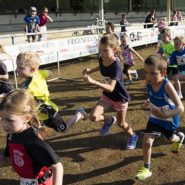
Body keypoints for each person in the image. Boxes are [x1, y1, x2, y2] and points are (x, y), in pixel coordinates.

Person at [83, 34, 138, 150]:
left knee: (121, 124)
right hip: (108, 96)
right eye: (100, 50)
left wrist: (93, 81)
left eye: (105, 50)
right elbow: (101, 66)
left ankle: (133, 136)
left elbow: (111, 87)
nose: (102, 53)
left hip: (119, 97)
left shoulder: (116, 65)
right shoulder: (102, 58)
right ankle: (108, 120)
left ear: (114, 49)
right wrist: (90, 71)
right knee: (93, 117)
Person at [135, 55, 184, 181]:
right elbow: (151, 96)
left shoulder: (167, 85)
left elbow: (180, 108)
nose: (148, 76)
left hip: (169, 119)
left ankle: (179, 138)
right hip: (155, 117)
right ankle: (147, 168)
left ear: (163, 73)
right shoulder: (149, 82)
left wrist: (165, 115)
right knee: (146, 141)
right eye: (146, 72)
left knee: (170, 138)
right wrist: (146, 103)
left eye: (152, 73)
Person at [0, 89, 63, 185]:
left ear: (26, 118)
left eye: (10, 120)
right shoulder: (12, 134)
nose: (4, 124)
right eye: (2, 118)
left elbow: (57, 166)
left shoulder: (33, 141)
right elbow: (8, 159)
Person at [16, 51, 87, 133]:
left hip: (48, 111)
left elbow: (28, 103)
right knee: (33, 131)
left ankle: (79, 114)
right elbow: (49, 73)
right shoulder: (38, 73)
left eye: (20, 68)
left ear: (32, 69)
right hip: (38, 112)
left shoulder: (28, 88)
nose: (17, 70)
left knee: (64, 129)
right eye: (17, 66)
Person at [159, 29, 182, 98]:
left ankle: (179, 93)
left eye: (164, 37)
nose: (162, 38)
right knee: (167, 78)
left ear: (169, 36)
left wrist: (169, 58)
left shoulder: (172, 44)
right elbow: (162, 53)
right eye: (161, 37)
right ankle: (169, 90)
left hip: (174, 64)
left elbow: (176, 53)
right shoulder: (162, 44)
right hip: (166, 64)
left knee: (175, 78)